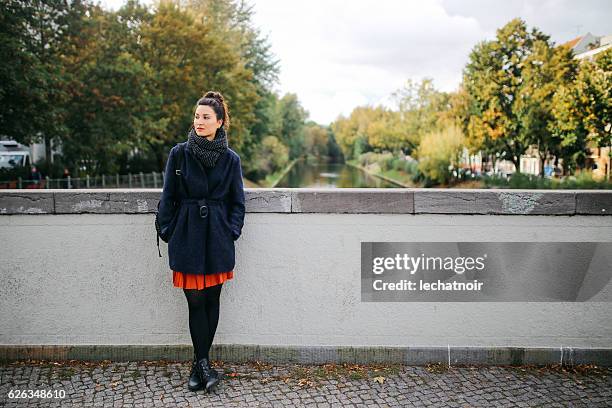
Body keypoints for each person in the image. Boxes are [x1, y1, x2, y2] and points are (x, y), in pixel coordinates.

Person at [156, 91, 245, 393]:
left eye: (206, 117)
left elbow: (237, 202)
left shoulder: (231, 160)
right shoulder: (179, 154)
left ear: (220, 122)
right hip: (188, 236)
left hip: (218, 237)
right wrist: (166, 229)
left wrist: (231, 229)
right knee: (195, 301)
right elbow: (168, 196)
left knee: (212, 300)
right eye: (196, 116)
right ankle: (203, 363)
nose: (199, 121)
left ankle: (200, 365)